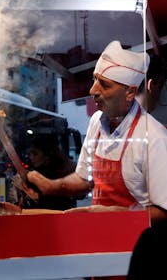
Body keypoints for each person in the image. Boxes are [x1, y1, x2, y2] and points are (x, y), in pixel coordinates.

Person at [26, 40, 167, 226]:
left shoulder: (155, 138)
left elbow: (163, 212)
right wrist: (49, 186)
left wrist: (116, 215)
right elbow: (84, 179)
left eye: (105, 85)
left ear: (130, 92)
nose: (93, 90)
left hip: (134, 244)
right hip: (98, 235)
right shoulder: (96, 122)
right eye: (94, 79)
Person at [10, 134, 78, 210]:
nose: (31, 157)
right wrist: (18, 194)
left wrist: (25, 189)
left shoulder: (57, 175)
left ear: (47, 155)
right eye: (30, 153)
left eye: (35, 154)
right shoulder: (36, 173)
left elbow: (53, 205)